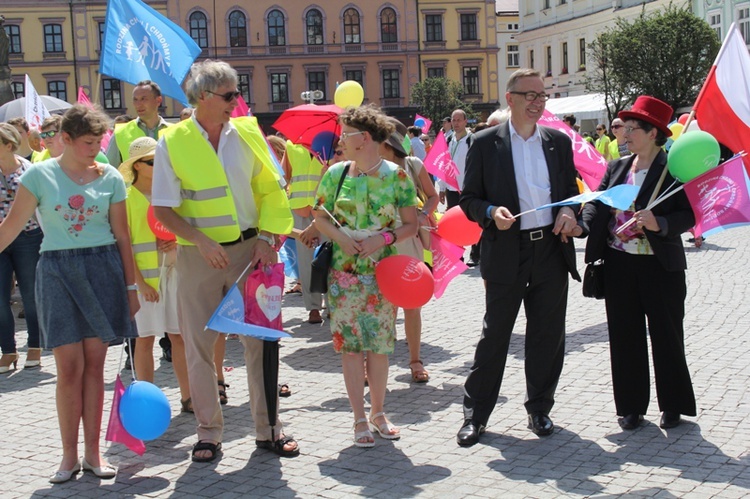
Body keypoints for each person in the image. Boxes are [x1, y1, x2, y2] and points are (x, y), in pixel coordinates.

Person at [152, 59, 298, 462]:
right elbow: (163, 209)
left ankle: (269, 430)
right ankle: (208, 433)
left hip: (252, 252)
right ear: (203, 97)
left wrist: (268, 238)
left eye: (237, 93)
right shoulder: (173, 140)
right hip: (198, 256)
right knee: (199, 348)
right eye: (230, 95)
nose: (238, 101)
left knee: (262, 344)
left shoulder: (250, 133)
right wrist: (199, 241)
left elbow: (272, 192)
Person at [0, 104, 139, 481]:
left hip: (102, 269)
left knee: (95, 368)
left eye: (99, 142)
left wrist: (132, 285)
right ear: (65, 139)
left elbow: (123, 236)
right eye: (87, 142)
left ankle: (94, 455)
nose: (95, 149)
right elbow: (11, 227)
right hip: (57, 271)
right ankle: (67, 456)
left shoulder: (110, 176)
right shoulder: (39, 176)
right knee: (68, 369)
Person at [456, 68, 580, 447]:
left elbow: (571, 195)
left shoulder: (558, 142)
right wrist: (491, 211)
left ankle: (539, 408)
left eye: (542, 96)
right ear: (510, 99)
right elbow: (468, 199)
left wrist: (570, 214)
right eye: (530, 95)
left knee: (546, 335)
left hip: (551, 250)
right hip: (508, 250)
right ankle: (475, 415)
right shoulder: (484, 142)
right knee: (495, 335)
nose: (538, 102)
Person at [576, 96, 697, 430]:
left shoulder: (674, 169)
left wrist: (661, 224)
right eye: (624, 128)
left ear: (653, 133)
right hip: (619, 266)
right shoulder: (617, 167)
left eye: (632, 129)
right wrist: (581, 224)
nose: (624, 135)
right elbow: (596, 204)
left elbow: (689, 213)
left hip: (660, 267)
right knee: (624, 335)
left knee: (667, 335)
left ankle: (673, 405)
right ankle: (631, 406)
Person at [312, 105, 418, 447]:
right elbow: (319, 216)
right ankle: (359, 417)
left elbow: (411, 225)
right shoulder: (336, 173)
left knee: (380, 347)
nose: (341, 139)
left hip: (382, 273)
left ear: (365, 137)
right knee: (351, 348)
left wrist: (380, 239)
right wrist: (343, 238)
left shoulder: (397, 176)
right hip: (343, 275)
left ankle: (379, 412)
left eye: (347, 134)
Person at [118, 137, 192, 412]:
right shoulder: (124, 198)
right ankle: (146, 404)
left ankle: (188, 397)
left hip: (173, 272)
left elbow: (182, 228)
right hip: (144, 281)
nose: (159, 164)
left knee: (179, 337)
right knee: (145, 339)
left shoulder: (170, 192)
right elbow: (121, 244)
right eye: (152, 161)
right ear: (138, 166)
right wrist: (138, 283)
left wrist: (175, 240)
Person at [379, 117, 439, 383]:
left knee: (412, 305)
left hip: (410, 243)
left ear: (388, 145)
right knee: (382, 308)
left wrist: (424, 212)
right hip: (379, 246)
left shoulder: (413, 165)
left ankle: (415, 361)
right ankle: (377, 365)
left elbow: (433, 195)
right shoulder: (367, 170)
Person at [0, 123, 42, 373]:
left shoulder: (29, 170)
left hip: (27, 237)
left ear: (8, 145)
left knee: (30, 295)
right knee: (0, 298)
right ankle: (7, 350)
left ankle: (35, 346)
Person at [281, 139, 326, 324]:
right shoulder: (291, 146)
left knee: (330, 257)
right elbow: (284, 177)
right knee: (306, 261)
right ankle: (313, 308)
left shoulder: (329, 146)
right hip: (299, 209)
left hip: (326, 210)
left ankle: (332, 306)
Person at [106, 80, 169, 168]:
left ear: (158, 101)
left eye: (143, 99)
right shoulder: (120, 133)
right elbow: (109, 171)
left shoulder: (174, 132)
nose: (138, 104)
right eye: (135, 100)